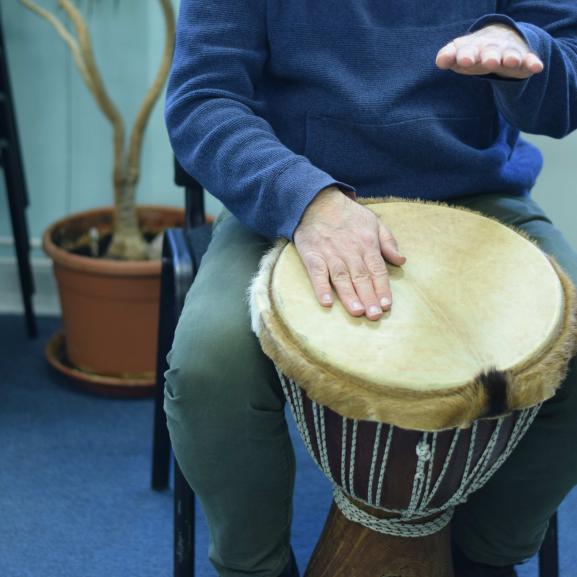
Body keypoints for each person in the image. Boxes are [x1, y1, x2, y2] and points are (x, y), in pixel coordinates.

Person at [163, 2, 577, 576]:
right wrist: (306, 199)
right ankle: (253, 566)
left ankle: (483, 557)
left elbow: (566, 91)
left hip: (473, 195)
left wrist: (523, 46)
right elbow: (202, 101)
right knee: (209, 369)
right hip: (293, 200)